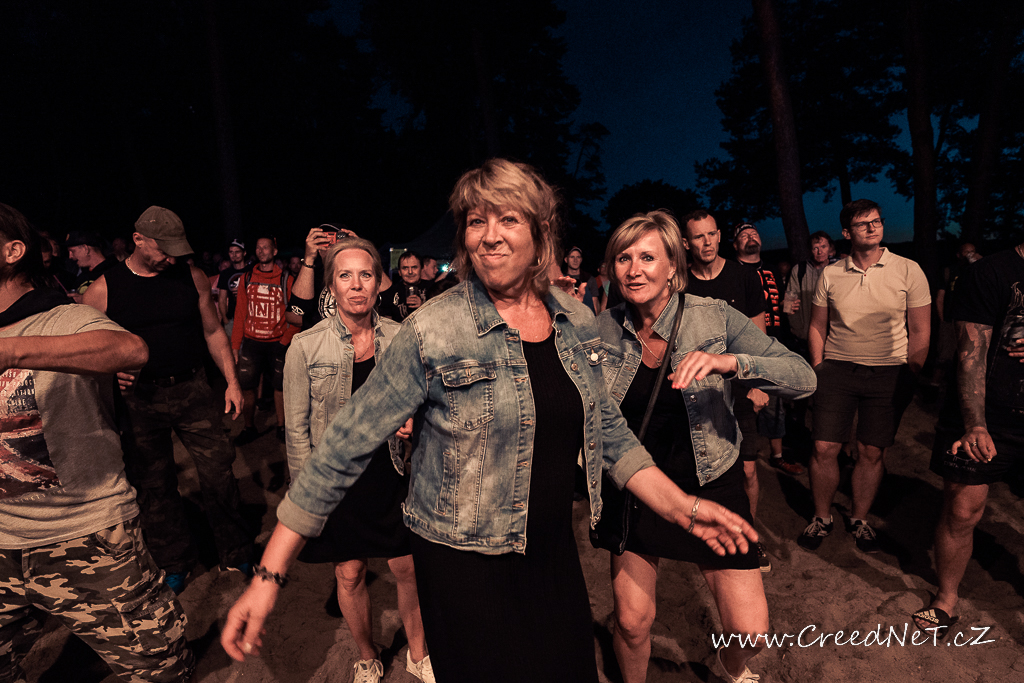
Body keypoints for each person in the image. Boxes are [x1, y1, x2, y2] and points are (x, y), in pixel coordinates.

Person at [221, 159, 757, 683]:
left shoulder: (574, 319)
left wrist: (680, 507)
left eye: (508, 218)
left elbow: (609, 433)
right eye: (477, 221)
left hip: (551, 553)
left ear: (540, 233)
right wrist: (269, 575)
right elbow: (343, 446)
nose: (490, 236)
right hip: (462, 563)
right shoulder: (433, 329)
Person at [596, 211, 815, 683]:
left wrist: (731, 362)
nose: (634, 269)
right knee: (632, 623)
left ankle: (728, 670)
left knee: (750, 633)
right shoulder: (603, 330)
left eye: (647, 257)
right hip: (640, 484)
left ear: (672, 266)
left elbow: (803, 377)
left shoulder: (713, 316)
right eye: (623, 258)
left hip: (712, 479)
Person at [0, 203, 194, 682]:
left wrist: (10, 350)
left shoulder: (61, 318)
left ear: (12, 251)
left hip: (83, 535)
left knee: (159, 670)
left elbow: (129, 349)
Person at [284, 237, 433, 683]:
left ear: (378, 282)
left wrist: (412, 417)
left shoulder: (403, 337)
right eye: (345, 275)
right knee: (349, 574)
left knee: (407, 568)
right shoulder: (305, 347)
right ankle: (367, 655)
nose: (356, 285)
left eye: (365, 275)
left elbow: (425, 400)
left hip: (391, 471)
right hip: (337, 481)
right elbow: (296, 431)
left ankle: (419, 652)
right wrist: (308, 498)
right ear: (331, 286)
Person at [83, 206, 253, 594]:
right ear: (138, 240)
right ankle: (174, 561)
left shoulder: (191, 277)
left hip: (193, 389)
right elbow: (88, 350)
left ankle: (236, 550)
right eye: (164, 250)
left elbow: (213, 331)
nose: (171, 258)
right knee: (154, 484)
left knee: (218, 470)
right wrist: (110, 370)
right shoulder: (102, 290)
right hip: (139, 399)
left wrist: (232, 382)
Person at [798, 199, 931, 554]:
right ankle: (822, 517)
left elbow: (921, 330)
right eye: (862, 223)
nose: (872, 228)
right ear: (846, 233)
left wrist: (911, 374)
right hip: (837, 370)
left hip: (889, 372)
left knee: (870, 451)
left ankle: (859, 519)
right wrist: (818, 367)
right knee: (824, 447)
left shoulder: (908, 270)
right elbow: (817, 325)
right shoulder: (831, 274)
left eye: (876, 221)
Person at [912, 239, 1024, 639]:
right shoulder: (990, 273)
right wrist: (975, 423)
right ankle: (946, 598)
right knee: (962, 510)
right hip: (989, 416)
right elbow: (970, 354)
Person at [681, 210, 772, 570]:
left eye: (711, 234)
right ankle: (709, 537)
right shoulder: (680, 282)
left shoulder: (743, 277)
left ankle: (749, 538)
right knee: (703, 470)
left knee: (747, 470)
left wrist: (758, 384)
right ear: (686, 243)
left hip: (739, 387)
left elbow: (758, 337)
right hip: (696, 391)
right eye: (698, 236)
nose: (706, 242)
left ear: (720, 236)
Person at [734, 223, 804, 476]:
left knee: (775, 403)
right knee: (743, 402)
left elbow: (779, 302)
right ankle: (738, 458)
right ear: (735, 245)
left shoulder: (771, 270)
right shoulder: (733, 272)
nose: (750, 237)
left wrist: (787, 308)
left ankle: (777, 456)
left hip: (775, 344)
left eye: (754, 234)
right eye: (744, 236)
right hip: (744, 347)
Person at [232, 236, 297, 445]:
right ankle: (249, 427)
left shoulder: (286, 279)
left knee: (280, 386)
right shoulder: (247, 278)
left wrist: (285, 340)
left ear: (274, 251)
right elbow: (240, 313)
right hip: (252, 342)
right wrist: (235, 345)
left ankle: (281, 427)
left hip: (278, 342)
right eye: (258, 247)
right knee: (247, 386)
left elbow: (296, 315)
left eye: (266, 247)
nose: (261, 250)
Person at [65, 230, 117, 303]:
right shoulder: (82, 276)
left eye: (73, 251)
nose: (70, 256)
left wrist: (86, 300)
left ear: (85, 249)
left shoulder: (114, 271)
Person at [379, 250, 427, 322]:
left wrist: (423, 306)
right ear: (399, 272)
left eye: (414, 267)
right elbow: (387, 321)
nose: (410, 272)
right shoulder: (392, 292)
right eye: (405, 268)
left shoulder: (432, 288)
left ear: (421, 269)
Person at [217, 239, 247, 336]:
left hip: (250, 318)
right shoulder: (225, 274)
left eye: (237, 252)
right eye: (231, 252)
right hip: (232, 318)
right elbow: (222, 299)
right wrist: (225, 319)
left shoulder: (252, 271)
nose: (234, 255)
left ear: (244, 253)